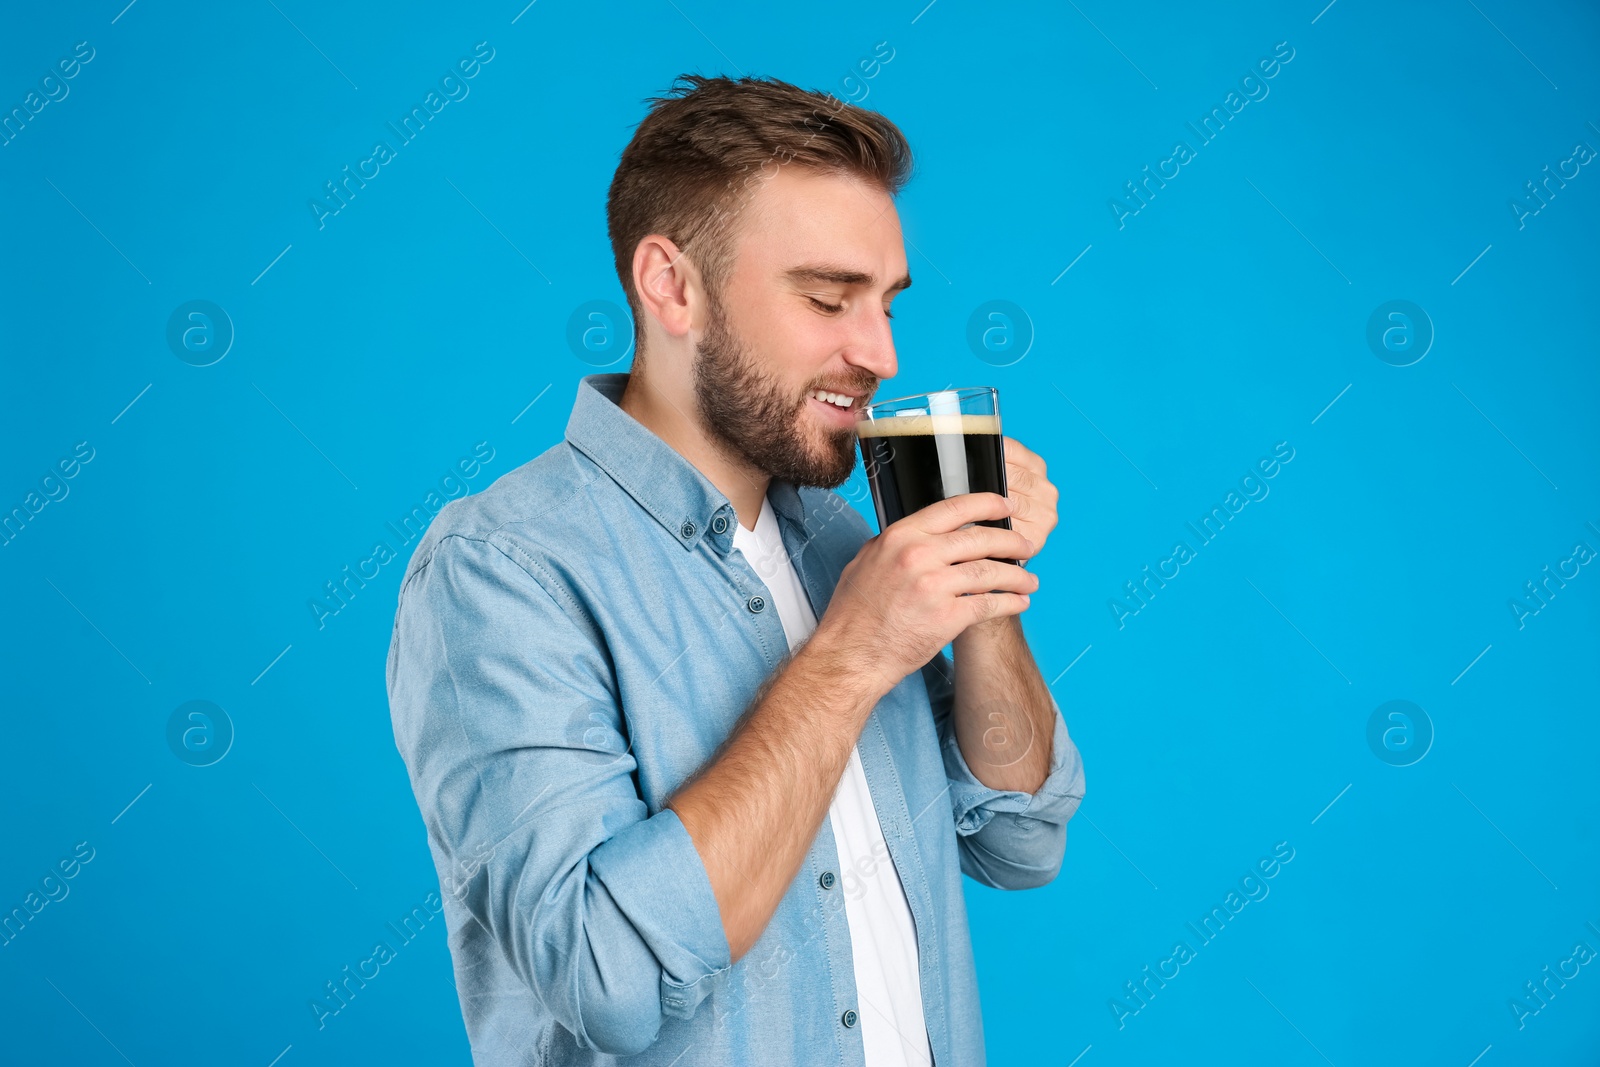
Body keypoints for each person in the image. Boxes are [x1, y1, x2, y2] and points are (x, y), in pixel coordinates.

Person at [386, 72, 1085, 1066]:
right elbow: (607, 977)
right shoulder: (502, 570)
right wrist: (851, 655)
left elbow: (1019, 840)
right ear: (672, 285)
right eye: (828, 297)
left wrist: (976, 585)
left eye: (885, 302)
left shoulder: (848, 544)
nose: (880, 351)